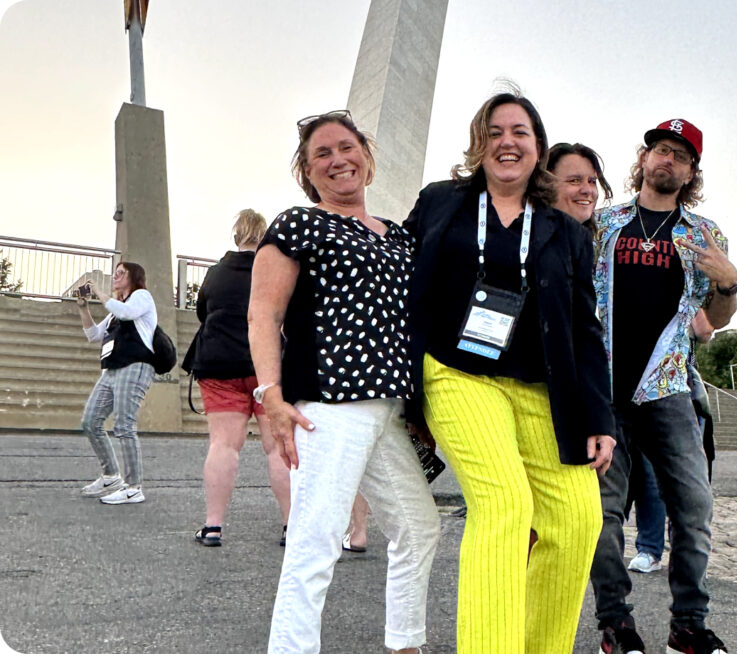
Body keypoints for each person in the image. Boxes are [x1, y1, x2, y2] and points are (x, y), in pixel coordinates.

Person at [403, 90, 615, 654]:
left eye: (520, 132)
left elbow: (584, 329)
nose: (507, 142)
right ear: (478, 143)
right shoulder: (440, 202)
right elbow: (397, 273)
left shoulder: (565, 231)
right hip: (457, 374)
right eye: (495, 131)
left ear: (538, 149)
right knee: (504, 504)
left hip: (541, 391)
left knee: (576, 520)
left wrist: (601, 418)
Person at [249, 110, 439, 654]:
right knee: (315, 543)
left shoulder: (400, 237)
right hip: (330, 405)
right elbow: (263, 315)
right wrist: (272, 398)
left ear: (367, 156)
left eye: (346, 147)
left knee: (419, 526)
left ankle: (405, 643)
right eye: (322, 155)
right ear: (307, 174)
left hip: (388, 411)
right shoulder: (300, 224)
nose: (337, 160)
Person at [589, 118, 737, 654]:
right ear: (644, 158)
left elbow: (716, 317)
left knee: (693, 507)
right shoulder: (604, 224)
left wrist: (729, 281)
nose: (667, 160)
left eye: (679, 154)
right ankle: (615, 621)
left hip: (669, 385)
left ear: (692, 170)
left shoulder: (704, 234)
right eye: (660, 150)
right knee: (602, 515)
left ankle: (689, 625)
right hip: (604, 388)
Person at [185, 209, 291, 547]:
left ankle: (213, 525)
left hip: (220, 364)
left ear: (236, 236)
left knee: (224, 445)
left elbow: (203, 312)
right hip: (268, 365)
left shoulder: (216, 273)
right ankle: (292, 526)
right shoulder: (277, 269)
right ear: (264, 236)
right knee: (277, 448)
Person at [76, 262, 157, 505]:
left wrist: (101, 294)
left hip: (135, 366)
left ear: (134, 278)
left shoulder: (142, 297)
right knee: (90, 421)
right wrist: (83, 308)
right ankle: (111, 475)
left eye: (121, 274)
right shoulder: (113, 313)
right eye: (115, 273)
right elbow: (93, 336)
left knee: (124, 425)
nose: (115, 277)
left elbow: (126, 313)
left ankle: (134, 487)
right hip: (111, 370)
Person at [546, 141, 613, 232]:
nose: (587, 190)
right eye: (575, 181)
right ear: (546, 184)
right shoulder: (525, 239)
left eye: (592, 181)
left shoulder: (599, 240)